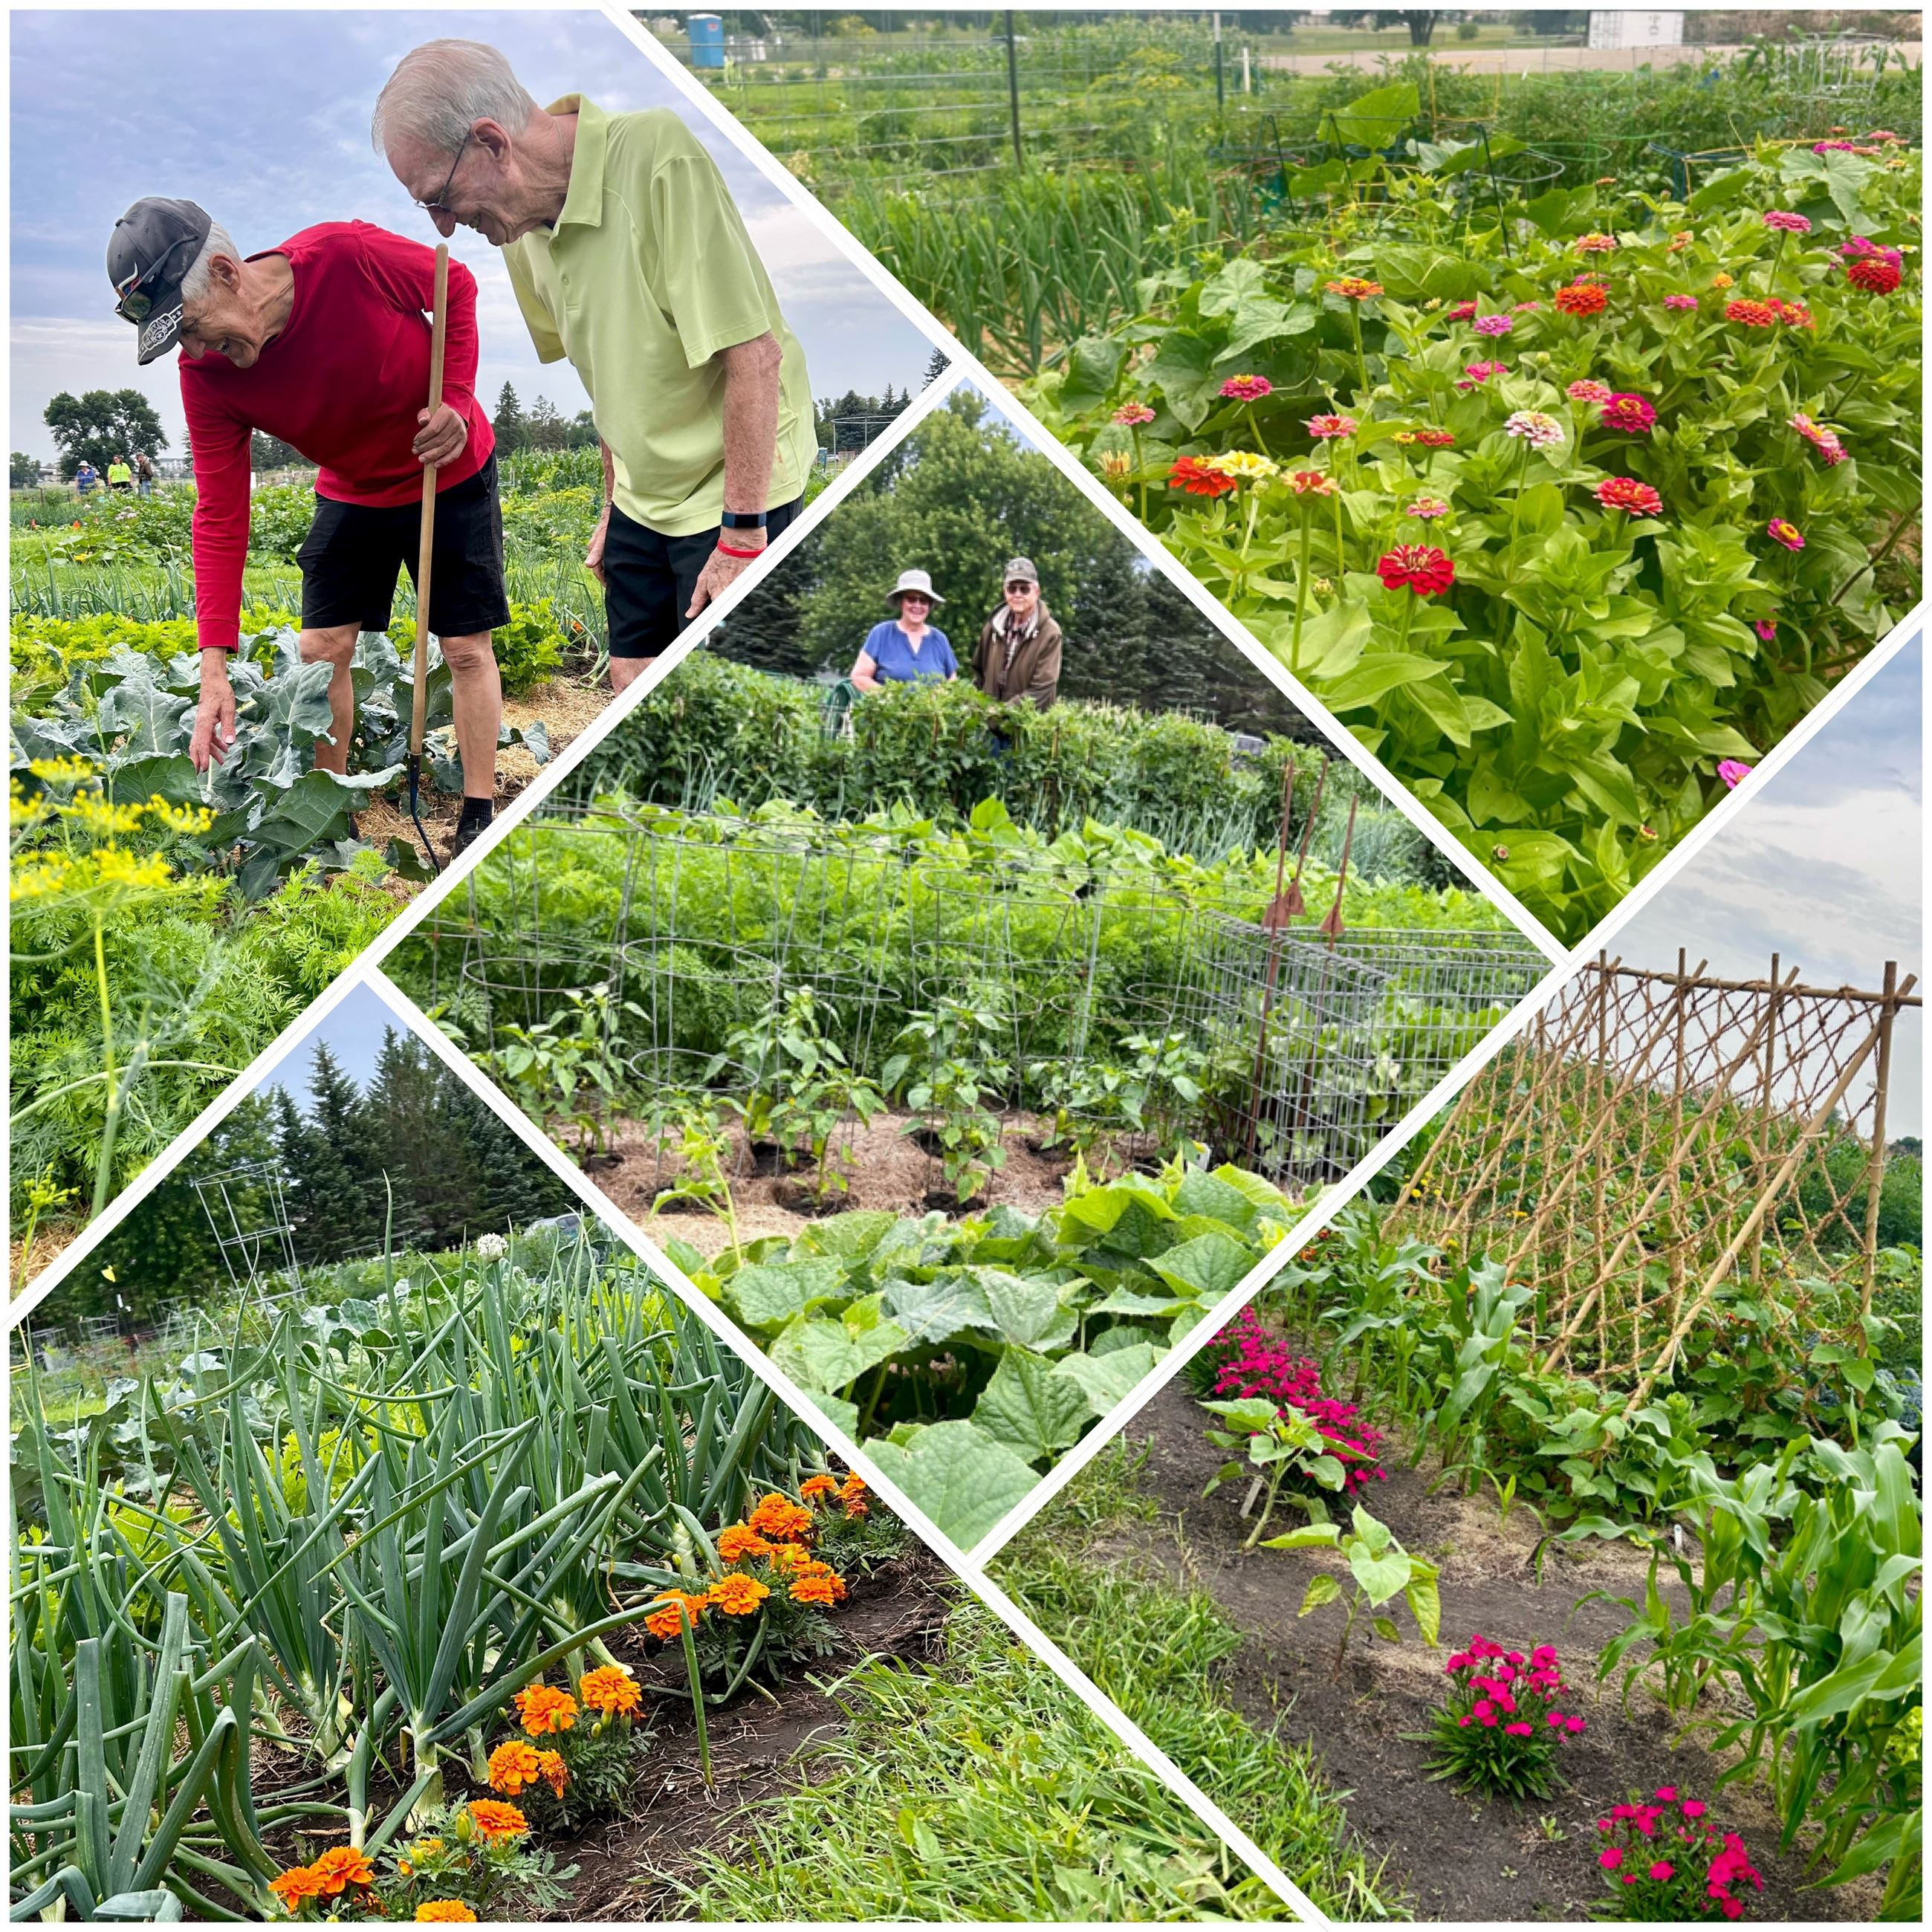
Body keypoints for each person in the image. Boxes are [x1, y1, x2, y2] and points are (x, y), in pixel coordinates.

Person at [373, 39, 814, 690]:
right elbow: (601, 373)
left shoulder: (656, 156)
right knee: (630, 675)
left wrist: (745, 535)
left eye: (438, 196)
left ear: (493, 143)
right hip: (644, 494)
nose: (443, 225)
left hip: (734, 484)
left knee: (726, 698)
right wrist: (613, 503)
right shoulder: (518, 232)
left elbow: (754, 356)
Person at [106, 195, 508, 857]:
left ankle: (477, 807)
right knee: (322, 650)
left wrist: (457, 400)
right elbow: (220, 515)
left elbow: (454, 284)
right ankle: (333, 808)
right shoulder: (205, 376)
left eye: (194, 326)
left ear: (230, 274)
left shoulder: (345, 257)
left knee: (465, 648)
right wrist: (214, 668)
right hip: (352, 488)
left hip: (446, 467)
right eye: (180, 338)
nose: (197, 348)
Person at [973, 556, 1061, 707]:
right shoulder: (992, 627)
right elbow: (978, 674)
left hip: (1029, 725)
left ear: (1037, 592)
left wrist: (1003, 713)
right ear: (1005, 591)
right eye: (1012, 588)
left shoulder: (1050, 633)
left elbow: (1042, 688)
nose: (1018, 594)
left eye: (1024, 589)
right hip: (988, 721)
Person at [851, 569, 956, 691]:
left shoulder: (940, 639)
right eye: (911, 599)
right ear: (900, 602)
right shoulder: (881, 633)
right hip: (888, 709)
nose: (917, 606)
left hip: (930, 710)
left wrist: (939, 697)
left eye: (923, 601)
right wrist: (889, 697)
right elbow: (860, 676)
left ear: (929, 606)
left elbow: (952, 680)